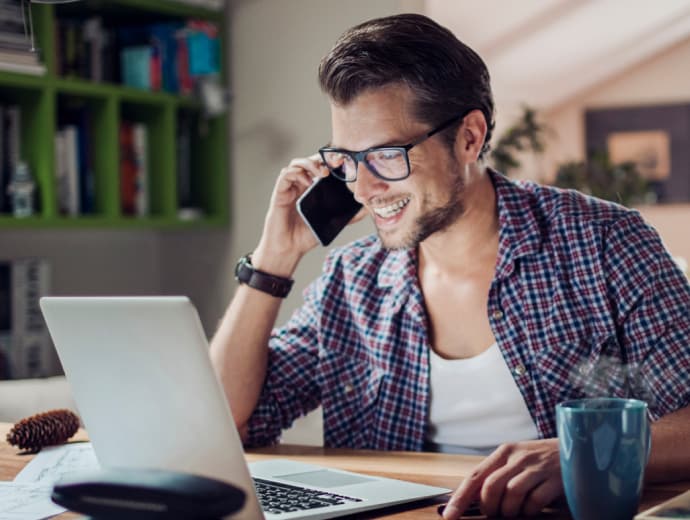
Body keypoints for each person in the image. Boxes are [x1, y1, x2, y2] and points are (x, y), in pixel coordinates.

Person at [210, 13, 690, 518]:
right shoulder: (351, 281)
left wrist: (581, 457)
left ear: (469, 137)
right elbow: (225, 424)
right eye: (346, 161)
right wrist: (273, 260)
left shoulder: (603, 242)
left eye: (386, 156)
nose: (363, 188)